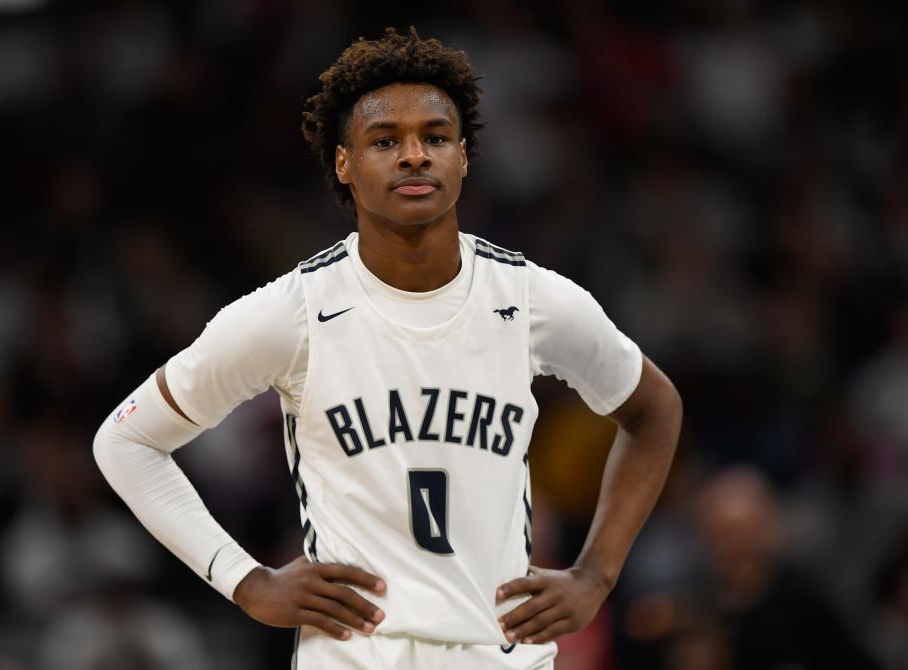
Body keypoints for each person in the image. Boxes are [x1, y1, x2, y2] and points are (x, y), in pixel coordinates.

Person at [93, 27, 683, 669]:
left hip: (499, 652)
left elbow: (654, 409)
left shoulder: (534, 298)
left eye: (435, 137)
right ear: (343, 163)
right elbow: (125, 441)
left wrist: (596, 574)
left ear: (464, 156)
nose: (414, 156)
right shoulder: (291, 313)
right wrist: (244, 579)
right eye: (385, 141)